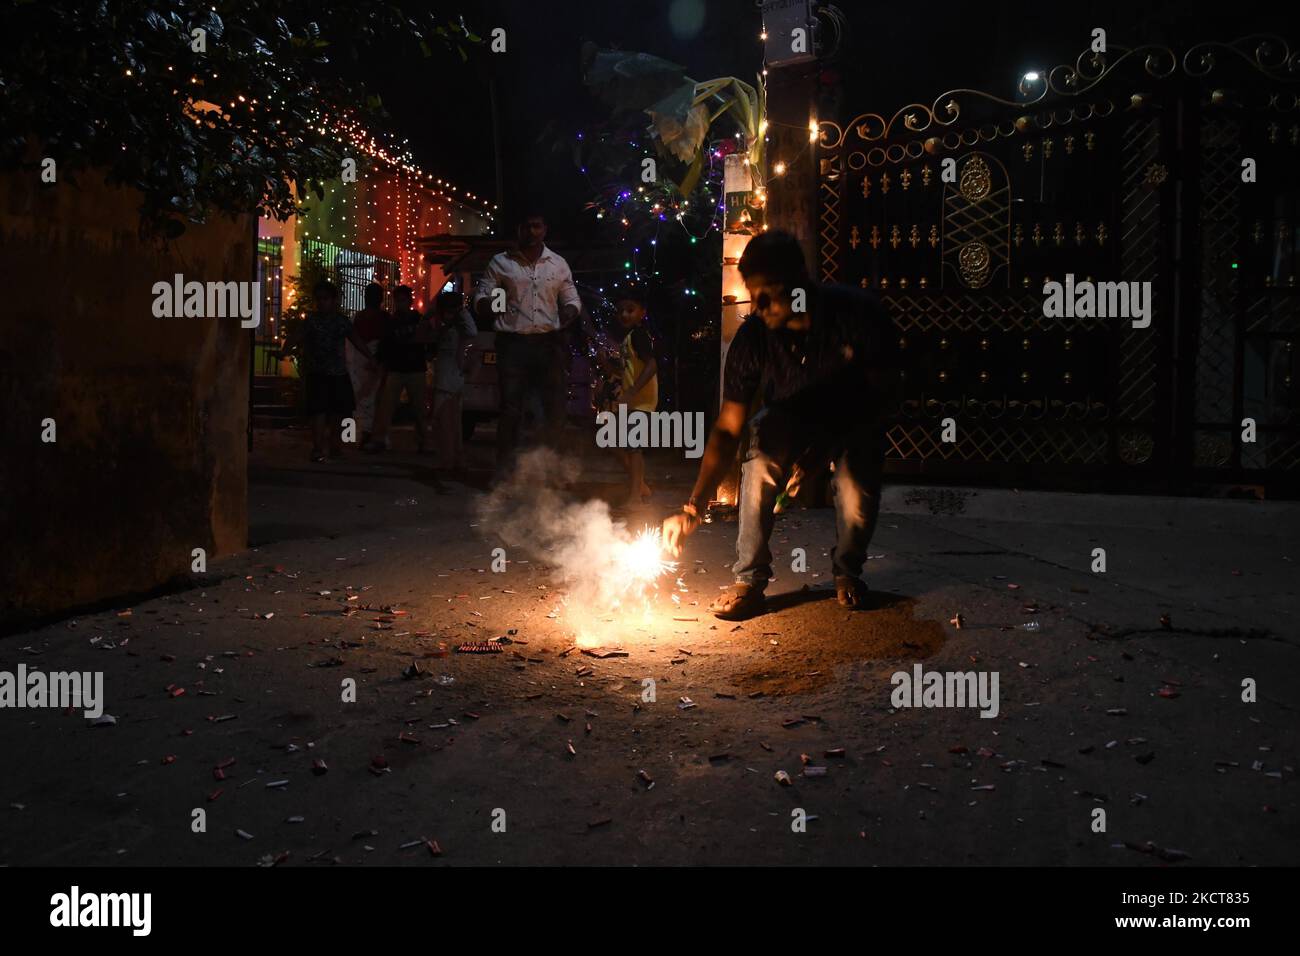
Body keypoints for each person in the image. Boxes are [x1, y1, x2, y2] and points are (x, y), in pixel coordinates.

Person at [662, 230, 898, 621]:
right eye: (753, 295)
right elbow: (728, 427)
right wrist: (694, 505)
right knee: (761, 442)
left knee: (857, 483)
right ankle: (750, 579)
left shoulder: (858, 317)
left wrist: (822, 453)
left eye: (769, 293)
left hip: (855, 417)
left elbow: (882, 399)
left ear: (800, 282)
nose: (759, 306)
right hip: (789, 420)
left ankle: (847, 570)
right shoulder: (754, 336)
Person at [472, 208, 581, 481]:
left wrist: (568, 312)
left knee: (555, 409)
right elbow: (483, 294)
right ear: (518, 229)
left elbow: (572, 298)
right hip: (513, 345)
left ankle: (550, 472)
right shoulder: (501, 263)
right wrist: (485, 305)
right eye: (527, 226)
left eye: (537, 226)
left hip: (548, 343)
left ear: (545, 230)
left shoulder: (558, 264)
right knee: (511, 410)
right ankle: (506, 472)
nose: (532, 232)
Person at [301, 279, 379, 463]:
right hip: (318, 372)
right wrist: (285, 350)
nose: (321, 302)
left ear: (334, 300)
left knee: (339, 412)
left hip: (337, 372)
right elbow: (298, 336)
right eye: (318, 299)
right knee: (319, 412)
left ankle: (335, 446)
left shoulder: (341, 321)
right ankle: (318, 448)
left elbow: (356, 340)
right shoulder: (311, 320)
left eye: (325, 299)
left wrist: (370, 357)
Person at [607, 284, 657, 505]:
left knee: (633, 447)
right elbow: (627, 370)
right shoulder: (628, 338)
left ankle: (636, 495)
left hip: (641, 403)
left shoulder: (639, 336)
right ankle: (641, 485)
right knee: (611, 440)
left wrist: (633, 392)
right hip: (630, 402)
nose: (625, 314)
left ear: (642, 312)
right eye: (621, 311)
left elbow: (652, 365)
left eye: (630, 309)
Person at [367, 285, 433, 453]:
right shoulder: (392, 321)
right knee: (387, 406)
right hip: (398, 367)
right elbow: (385, 344)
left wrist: (429, 353)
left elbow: (429, 338)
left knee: (418, 408)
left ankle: (423, 442)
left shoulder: (417, 319)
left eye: (402, 300)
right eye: (398, 300)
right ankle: (380, 439)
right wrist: (379, 359)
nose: (400, 304)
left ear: (409, 301)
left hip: (413, 367)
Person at [429, 290, 478, 475]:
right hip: (448, 380)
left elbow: (472, 332)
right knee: (450, 424)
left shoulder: (459, 329)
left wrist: (460, 312)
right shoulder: (444, 327)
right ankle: (454, 459)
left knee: (446, 424)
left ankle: (449, 461)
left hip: (450, 383)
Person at [347, 282, 390, 446]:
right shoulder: (380, 318)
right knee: (370, 401)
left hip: (364, 363)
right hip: (366, 363)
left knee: (360, 401)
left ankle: (355, 437)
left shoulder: (358, 317)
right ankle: (363, 436)